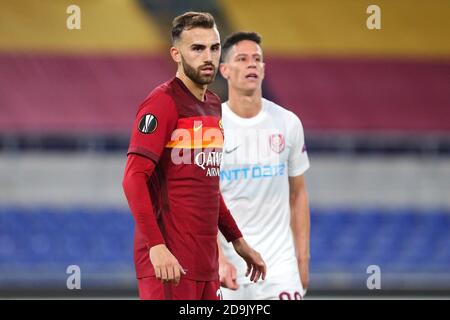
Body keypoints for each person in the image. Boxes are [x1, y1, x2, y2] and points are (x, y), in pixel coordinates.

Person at [122, 13, 266, 300]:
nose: (208, 56)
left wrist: (237, 240)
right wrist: (156, 247)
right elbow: (133, 179)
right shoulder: (162, 102)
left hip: (205, 264)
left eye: (214, 48)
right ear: (176, 54)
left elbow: (207, 185)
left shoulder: (213, 104)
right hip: (168, 263)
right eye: (197, 49)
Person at [218, 32, 311, 300]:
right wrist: (217, 259)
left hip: (279, 268)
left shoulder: (287, 122)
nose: (251, 64)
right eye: (242, 58)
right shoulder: (211, 127)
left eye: (257, 59)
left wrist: (302, 260)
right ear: (224, 69)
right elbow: (203, 202)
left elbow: (298, 193)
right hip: (230, 268)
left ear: (263, 69)